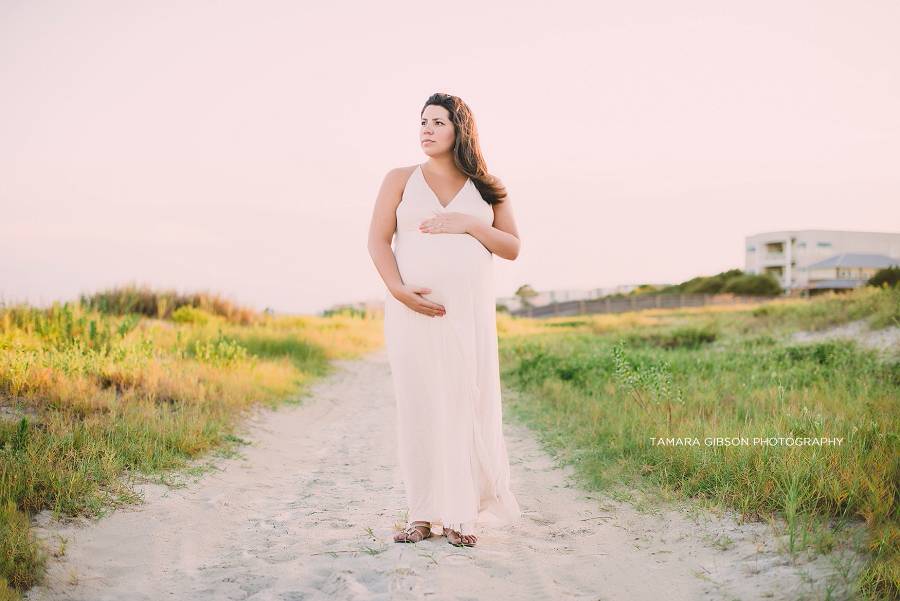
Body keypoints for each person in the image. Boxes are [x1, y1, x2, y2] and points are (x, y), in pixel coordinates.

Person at [367, 93, 521, 548]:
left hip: (468, 316)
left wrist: (469, 224)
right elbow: (377, 241)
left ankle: (459, 515)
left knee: (461, 405)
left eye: (438, 122)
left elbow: (511, 246)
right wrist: (397, 290)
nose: (427, 129)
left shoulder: (488, 185)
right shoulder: (399, 179)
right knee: (419, 406)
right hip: (412, 313)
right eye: (423, 122)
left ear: (460, 129)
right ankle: (422, 514)